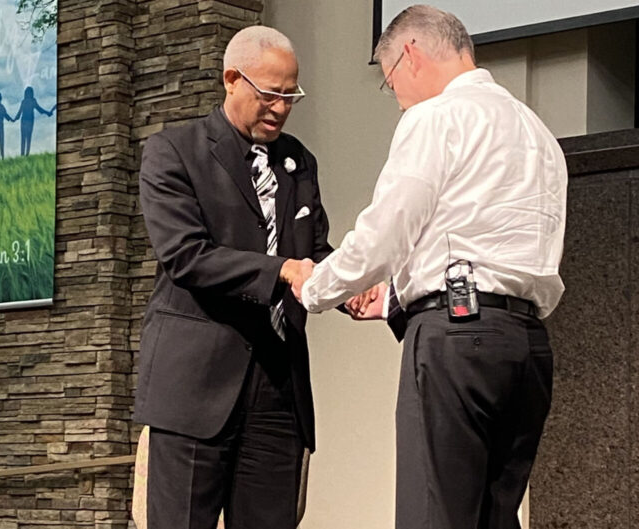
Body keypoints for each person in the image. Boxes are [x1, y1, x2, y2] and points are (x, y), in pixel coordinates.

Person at [294, 6, 567, 529]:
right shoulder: (537, 133)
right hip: (527, 347)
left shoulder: (436, 117)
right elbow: (486, 237)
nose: (395, 96)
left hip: (456, 342)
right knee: (495, 518)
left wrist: (316, 287)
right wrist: (395, 296)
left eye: (389, 79)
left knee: (433, 517)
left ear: (410, 55)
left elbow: (388, 229)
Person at [135, 25, 331, 529]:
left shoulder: (298, 162)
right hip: (196, 388)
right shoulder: (173, 151)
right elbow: (186, 255)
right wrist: (282, 270)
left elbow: (313, 253)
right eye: (269, 94)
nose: (281, 108)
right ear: (231, 79)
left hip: (278, 387)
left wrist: (356, 283)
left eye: (291, 96)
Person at [12, 86, 53, 156]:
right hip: (30, 122)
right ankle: (26, 155)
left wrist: (13, 119)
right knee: (28, 138)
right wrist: (48, 113)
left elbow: (19, 114)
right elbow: (40, 110)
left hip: (24, 122)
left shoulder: (24, 102)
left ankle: (22, 154)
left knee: (23, 138)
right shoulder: (33, 101)